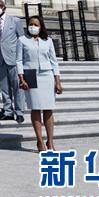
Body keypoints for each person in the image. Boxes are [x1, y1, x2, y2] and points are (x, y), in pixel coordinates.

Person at [17, 16, 62, 152]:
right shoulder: (22, 40)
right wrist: (22, 79)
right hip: (30, 75)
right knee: (35, 108)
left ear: (41, 26)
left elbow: (54, 61)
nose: (33, 27)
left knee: (48, 109)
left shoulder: (47, 41)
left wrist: (58, 81)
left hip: (47, 75)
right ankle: (40, 141)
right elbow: (19, 60)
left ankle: (50, 141)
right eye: (30, 24)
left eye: (36, 24)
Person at [0, 0, 25, 123]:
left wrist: (21, 57)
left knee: (17, 86)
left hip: (13, 58)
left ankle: (19, 111)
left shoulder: (15, 21)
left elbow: (21, 39)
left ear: (4, 7)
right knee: (4, 87)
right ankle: (8, 110)